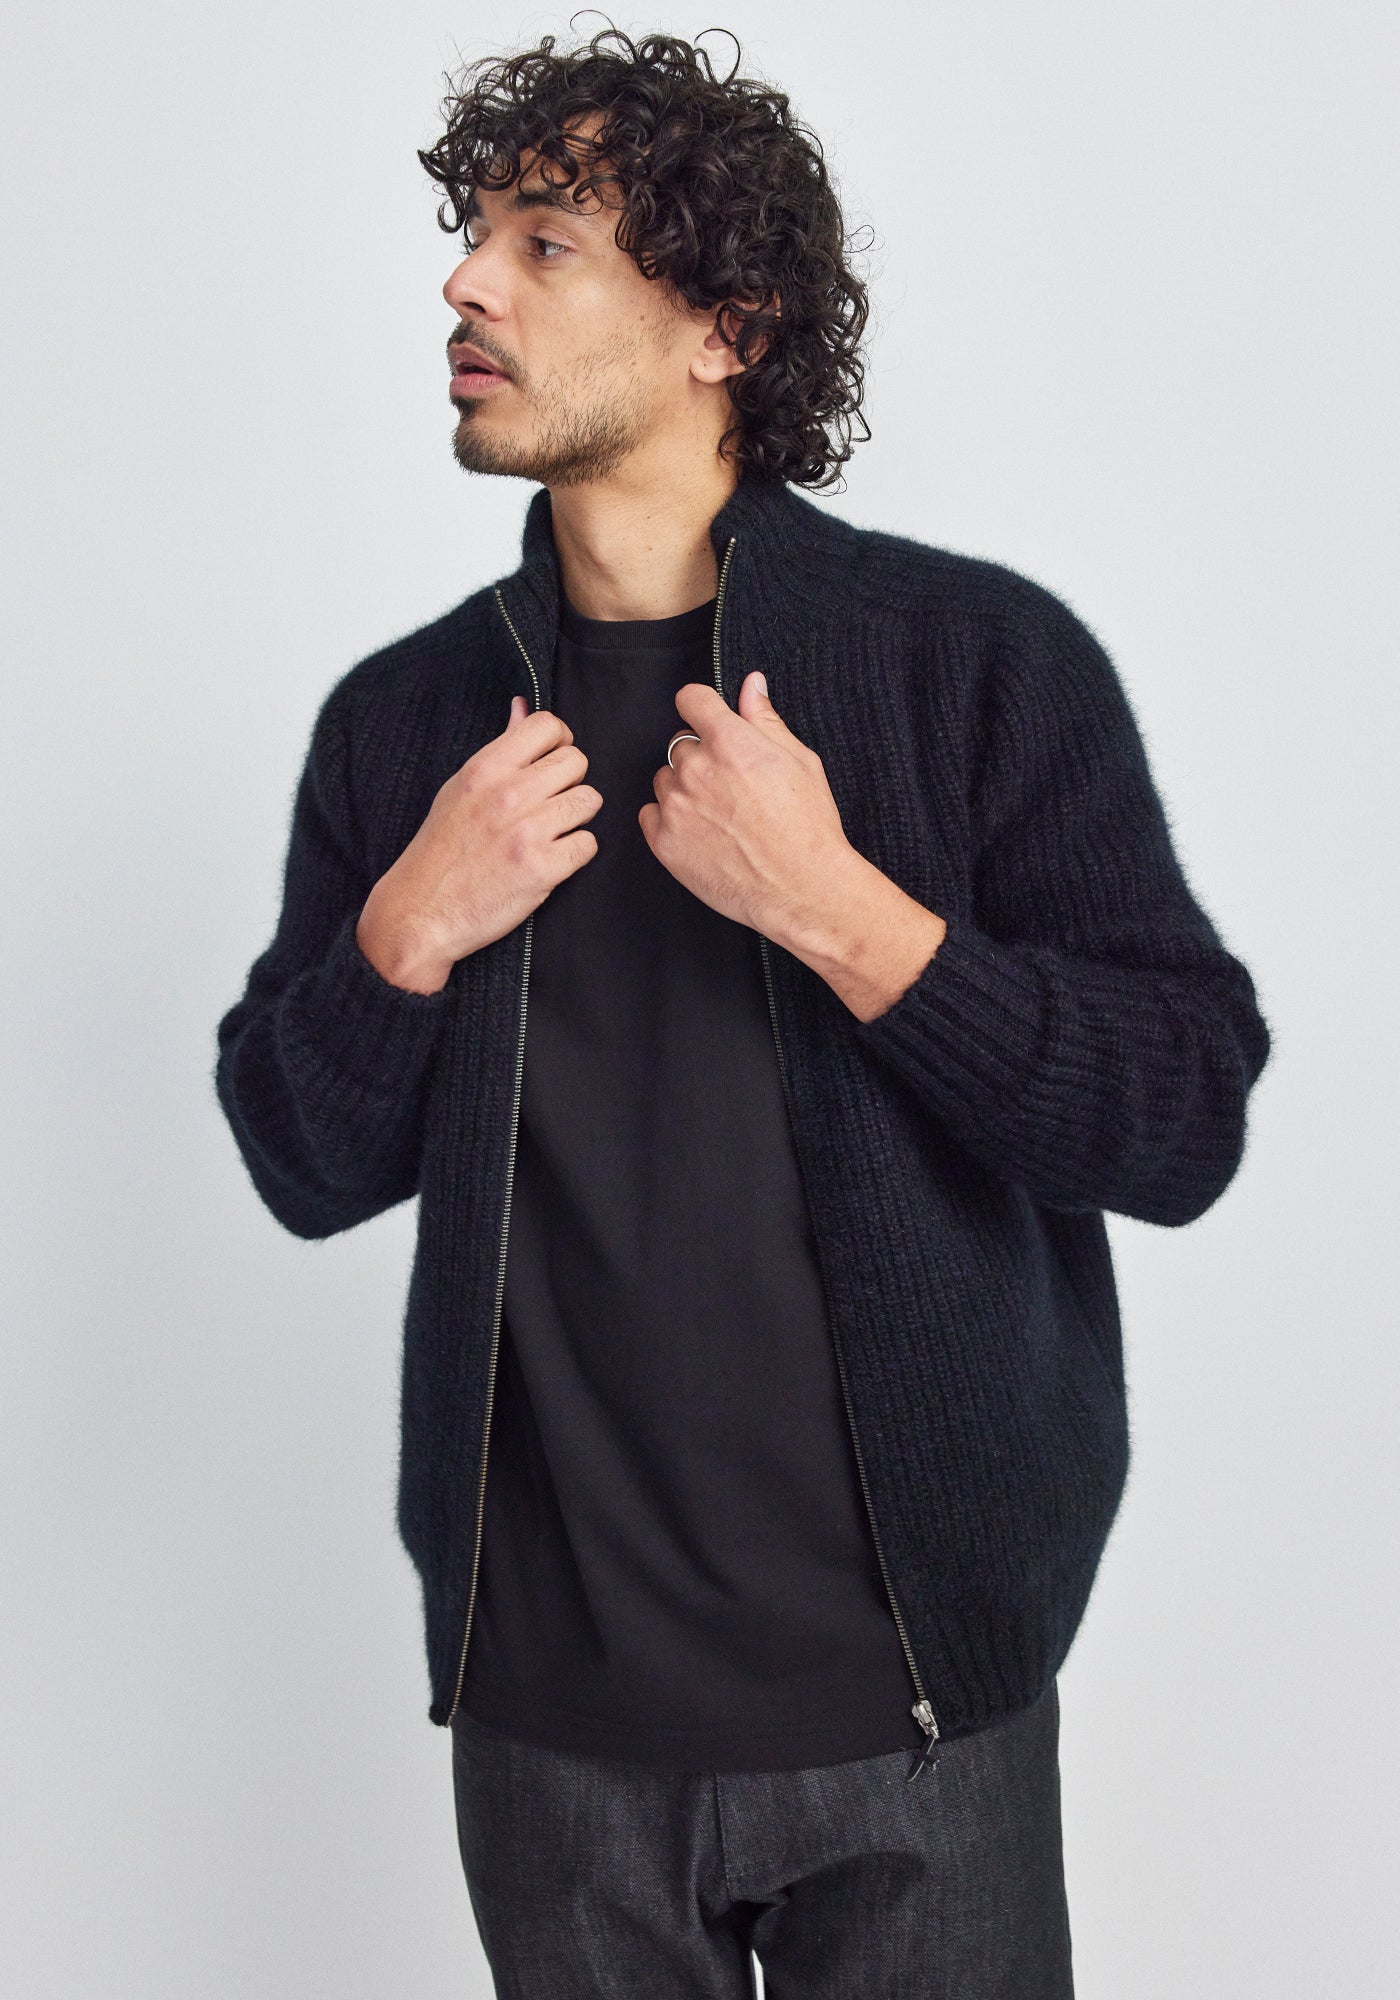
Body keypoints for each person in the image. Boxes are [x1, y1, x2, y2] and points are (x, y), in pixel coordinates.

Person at [213, 24, 1272, 1998]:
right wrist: (404, 932)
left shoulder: (975, 664)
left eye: (545, 242)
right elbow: (301, 1162)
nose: (464, 283)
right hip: (552, 1726)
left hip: (920, 1714)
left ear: (727, 324)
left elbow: (1180, 1116)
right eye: (474, 235)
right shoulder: (408, 724)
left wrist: (841, 913)